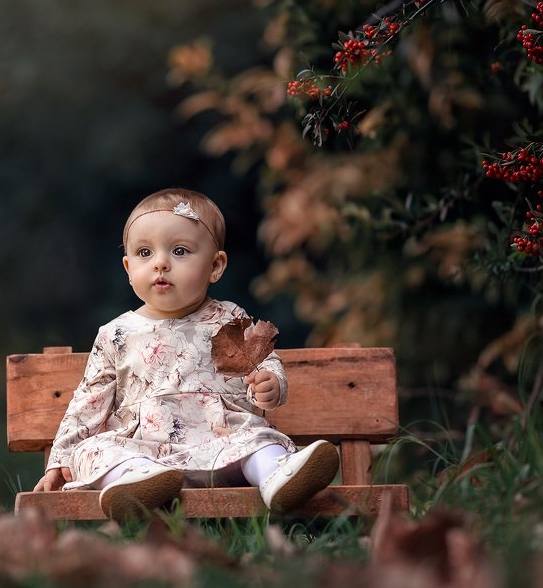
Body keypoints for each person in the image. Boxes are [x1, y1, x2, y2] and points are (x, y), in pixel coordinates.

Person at [33, 188, 340, 521]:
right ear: (127, 267)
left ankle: (275, 476)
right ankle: (134, 482)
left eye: (179, 251)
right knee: (96, 449)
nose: (161, 263)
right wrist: (60, 459)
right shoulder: (115, 334)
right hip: (147, 452)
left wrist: (271, 384)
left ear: (215, 265)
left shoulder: (228, 318)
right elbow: (88, 402)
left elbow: (263, 362)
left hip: (222, 446)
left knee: (258, 438)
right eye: (144, 252)